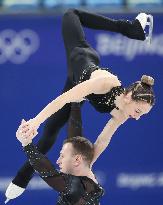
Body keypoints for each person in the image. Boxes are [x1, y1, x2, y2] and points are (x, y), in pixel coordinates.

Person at [6, 9, 155, 198]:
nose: (137, 117)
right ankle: (130, 28)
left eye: (142, 114)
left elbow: (102, 140)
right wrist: (35, 121)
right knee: (70, 14)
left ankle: (21, 178)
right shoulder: (105, 83)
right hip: (81, 55)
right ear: (129, 97)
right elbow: (63, 99)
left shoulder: (123, 113)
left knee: (51, 130)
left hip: (76, 83)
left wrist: (87, 168)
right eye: (138, 110)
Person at [9, 114, 127, 205]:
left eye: (62, 156)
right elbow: (98, 139)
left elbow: (48, 172)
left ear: (77, 160)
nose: (58, 161)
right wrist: (76, 101)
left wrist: (27, 144)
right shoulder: (85, 170)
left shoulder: (76, 188)